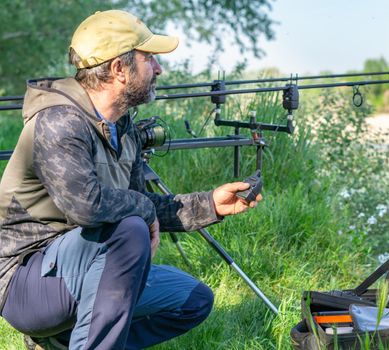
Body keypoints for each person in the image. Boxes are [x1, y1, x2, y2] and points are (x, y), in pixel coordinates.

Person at [0, 9, 261, 350]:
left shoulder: (123, 127)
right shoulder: (59, 121)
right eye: (149, 58)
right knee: (130, 230)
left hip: (86, 264)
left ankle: (62, 343)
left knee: (193, 300)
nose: (159, 69)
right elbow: (87, 207)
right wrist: (143, 212)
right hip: (26, 282)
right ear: (118, 69)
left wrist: (210, 204)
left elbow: (140, 203)